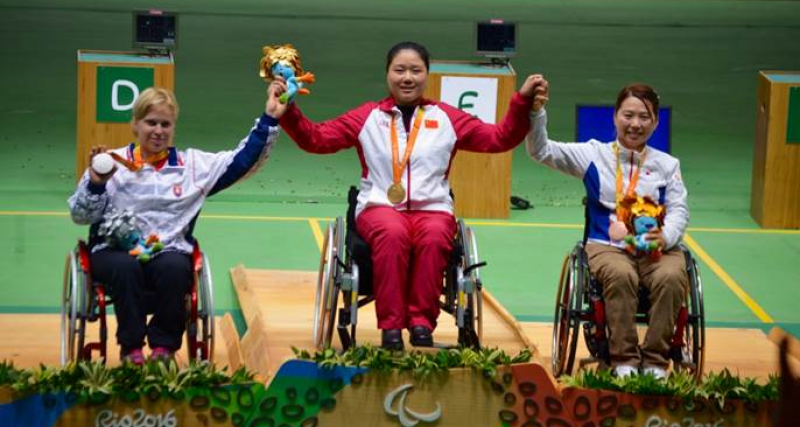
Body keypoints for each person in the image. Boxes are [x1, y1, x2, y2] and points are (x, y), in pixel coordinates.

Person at [268, 41, 548, 350]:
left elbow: (499, 138)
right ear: (387, 74)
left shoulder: (446, 118)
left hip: (434, 209)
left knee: (434, 237)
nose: (408, 77)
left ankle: (420, 325)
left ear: (427, 75)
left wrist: (521, 102)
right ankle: (390, 328)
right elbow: (316, 139)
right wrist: (289, 111)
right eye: (399, 70)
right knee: (393, 232)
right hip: (379, 208)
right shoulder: (367, 117)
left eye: (416, 70)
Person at [69, 86, 280, 364]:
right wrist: (96, 183)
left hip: (166, 250)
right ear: (134, 124)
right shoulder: (112, 164)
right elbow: (81, 215)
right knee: (126, 267)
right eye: (150, 122)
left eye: (165, 124)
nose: (158, 130)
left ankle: (163, 348)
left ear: (173, 128)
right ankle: (130, 348)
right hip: (114, 252)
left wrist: (270, 118)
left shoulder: (191, 167)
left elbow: (241, 161)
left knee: (176, 268)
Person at [526, 82, 689, 378]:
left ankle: (654, 362)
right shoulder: (593, 154)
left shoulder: (667, 165)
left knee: (672, 276)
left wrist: (665, 237)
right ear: (615, 116)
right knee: (620, 273)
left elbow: (679, 210)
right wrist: (537, 113)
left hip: (657, 247)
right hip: (607, 245)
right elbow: (541, 151)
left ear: (655, 122)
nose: (635, 124)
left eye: (644, 117)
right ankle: (623, 359)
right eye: (628, 115)